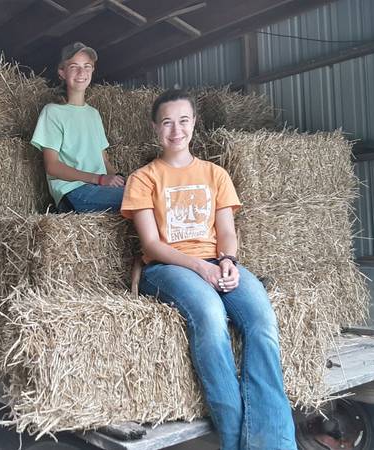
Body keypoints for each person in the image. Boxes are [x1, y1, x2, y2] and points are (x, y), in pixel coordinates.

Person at [120, 89, 296, 450]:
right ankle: (234, 440)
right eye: (167, 122)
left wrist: (228, 262)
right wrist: (201, 267)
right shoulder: (144, 178)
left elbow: (227, 232)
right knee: (212, 316)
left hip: (218, 263)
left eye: (183, 120)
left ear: (194, 123)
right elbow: (152, 245)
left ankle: (274, 444)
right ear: (156, 128)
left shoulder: (216, 174)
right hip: (169, 267)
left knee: (262, 323)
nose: (176, 130)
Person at [31, 42, 124, 213]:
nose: (82, 73)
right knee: (139, 198)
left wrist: (119, 178)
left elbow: (103, 161)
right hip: (74, 192)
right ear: (62, 72)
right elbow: (52, 165)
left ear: (92, 70)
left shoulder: (94, 114)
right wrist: (99, 179)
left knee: (145, 191)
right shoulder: (52, 112)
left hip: (100, 189)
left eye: (87, 66)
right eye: (74, 67)